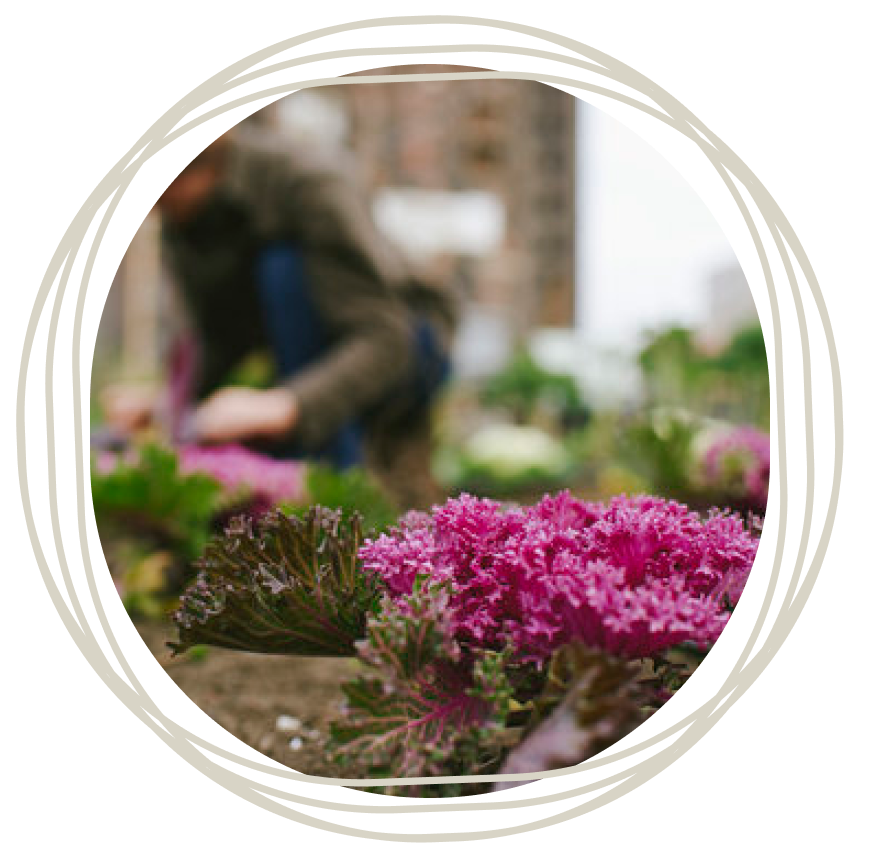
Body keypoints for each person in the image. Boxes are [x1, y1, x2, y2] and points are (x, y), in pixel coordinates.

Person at [101, 122, 459, 512]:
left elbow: (387, 339)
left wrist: (286, 406)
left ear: (198, 172)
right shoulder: (184, 218)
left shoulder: (307, 182)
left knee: (281, 268)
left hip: (405, 352)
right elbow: (217, 340)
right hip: (300, 368)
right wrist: (164, 406)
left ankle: (337, 506)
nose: (156, 213)